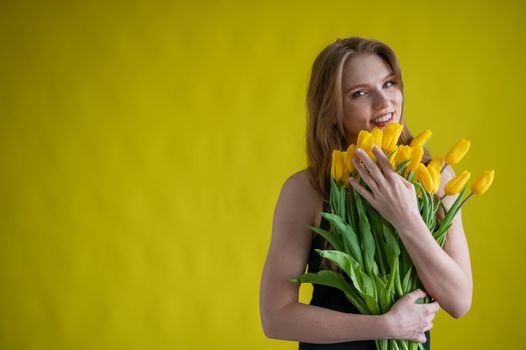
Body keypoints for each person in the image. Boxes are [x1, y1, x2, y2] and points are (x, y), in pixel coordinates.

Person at [259, 36, 473, 349]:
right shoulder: (306, 190)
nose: (384, 102)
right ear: (333, 109)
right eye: (360, 93)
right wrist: (386, 326)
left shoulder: (435, 178)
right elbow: (275, 317)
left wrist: (407, 217)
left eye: (389, 84)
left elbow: (458, 301)